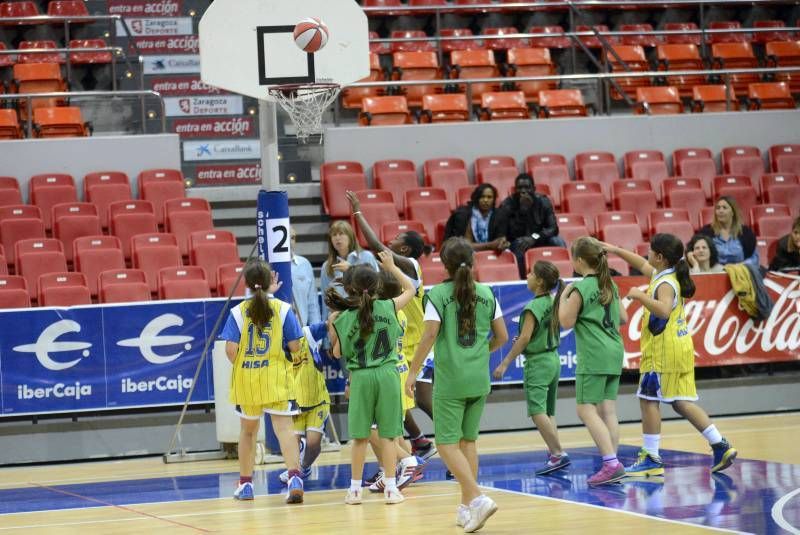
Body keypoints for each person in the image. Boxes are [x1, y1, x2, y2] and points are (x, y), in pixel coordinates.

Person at [603, 234, 738, 477]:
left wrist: (640, 295)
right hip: (679, 347)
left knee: (648, 399)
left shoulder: (665, 283)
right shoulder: (667, 273)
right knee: (681, 401)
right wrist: (614, 248)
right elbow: (641, 264)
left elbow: (663, 310)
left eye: (650, 252)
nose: (647, 256)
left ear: (660, 257)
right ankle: (720, 444)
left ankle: (652, 456)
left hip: (663, 351)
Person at [406, 237, 509, 533]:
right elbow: (502, 337)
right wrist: (480, 352)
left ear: (444, 264)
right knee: (468, 442)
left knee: (446, 444)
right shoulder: (487, 293)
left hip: (452, 379)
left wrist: (413, 373)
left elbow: (428, 337)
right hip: (479, 377)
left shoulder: (437, 294)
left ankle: (476, 498)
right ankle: (466, 509)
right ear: (474, 263)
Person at [346, 191, 437, 461]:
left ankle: (448, 438)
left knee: (416, 399)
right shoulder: (391, 267)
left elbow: (374, 244)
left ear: (405, 249)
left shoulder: (408, 265)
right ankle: (417, 445)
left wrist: (358, 213)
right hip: (402, 341)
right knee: (397, 401)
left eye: (397, 239)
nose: (391, 240)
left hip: (417, 340)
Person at [327, 252, 416, 505]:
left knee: (360, 437)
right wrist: (390, 266)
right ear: (377, 286)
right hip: (388, 375)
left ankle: (354, 490)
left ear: (351, 289)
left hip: (361, 377)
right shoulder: (389, 306)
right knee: (388, 436)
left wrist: (334, 328)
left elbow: (337, 352)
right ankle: (390, 488)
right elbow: (411, 287)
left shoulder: (344, 318)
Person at [219, 260, 305, 503]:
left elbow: (230, 349)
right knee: (285, 430)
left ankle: (246, 485)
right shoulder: (283, 309)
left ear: (246, 283)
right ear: (270, 282)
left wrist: (246, 364)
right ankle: (295, 478)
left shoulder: (238, 311)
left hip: (247, 379)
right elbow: (296, 345)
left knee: (248, 433)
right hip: (276, 377)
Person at [556, 237, 628, 487]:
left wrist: (564, 295)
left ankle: (610, 464)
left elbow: (565, 321)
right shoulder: (609, 284)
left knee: (585, 408)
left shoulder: (581, 287)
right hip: (615, 350)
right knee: (607, 410)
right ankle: (613, 461)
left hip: (595, 354)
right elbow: (623, 318)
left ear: (577, 261)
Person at [492, 260, 569, 476]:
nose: (527, 275)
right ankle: (554, 454)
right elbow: (531, 334)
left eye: (531, 273)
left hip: (538, 363)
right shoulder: (552, 301)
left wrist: (505, 362)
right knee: (548, 412)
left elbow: (525, 338)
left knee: (537, 412)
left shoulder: (532, 307)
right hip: (553, 359)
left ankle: (558, 454)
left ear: (540, 281)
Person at [278, 320, 331, 484]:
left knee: (313, 443)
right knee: (291, 442)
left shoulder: (308, 333)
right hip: (296, 405)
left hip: (318, 400)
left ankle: (305, 465)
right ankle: (295, 469)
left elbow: (331, 322)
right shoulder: (275, 349)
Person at [497, 173, 566, 278]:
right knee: (520, 244)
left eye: (527, 187)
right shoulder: (508, 204)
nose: (523, 191)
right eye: (520, 188)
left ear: (533, 189)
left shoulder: (544, 202)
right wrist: (522, 211)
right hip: (518, 241)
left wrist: (533, 238)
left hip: (538, 238)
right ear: (515, 190)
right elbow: (509, 233)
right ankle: (523, 280)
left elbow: (553, 228)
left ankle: (565, 275)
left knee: (557, 241)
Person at [320, 220, 379, 320]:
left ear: (350, 237)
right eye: (334, 235)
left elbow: (376, 286)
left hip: (365, 316)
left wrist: (351, 270)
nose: (337, 238)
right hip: (339, 319)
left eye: (341, 234)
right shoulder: (327, 266)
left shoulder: (366, 257)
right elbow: (325, 299)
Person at [443, 183, 510, 252]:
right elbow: (465, 246)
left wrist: (502, 244)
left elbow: (500, 239)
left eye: (489, 197)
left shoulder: (500, 215)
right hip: (465, 253)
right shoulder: (463, 215)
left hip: (492, 253)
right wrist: (490, 245)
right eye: (482, 197)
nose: (485, 200)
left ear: (494, 199)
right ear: (476, 198)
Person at [697, 196, 759, 268]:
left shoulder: (745, 233)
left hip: (741, 272)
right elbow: (694, 252)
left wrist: (737, 268)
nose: (720, 211)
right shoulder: (706, 232)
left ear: (733, 212)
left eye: (724, 208)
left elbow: (754, 259)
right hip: (715, 271)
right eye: (718, 208)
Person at [290, 226, 321, 326]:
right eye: (287, 237)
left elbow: (312, 303)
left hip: (301, 331)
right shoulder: (266, 265)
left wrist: (317, 337)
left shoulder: (304, 264)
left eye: (293, 238)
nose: (290, 242)